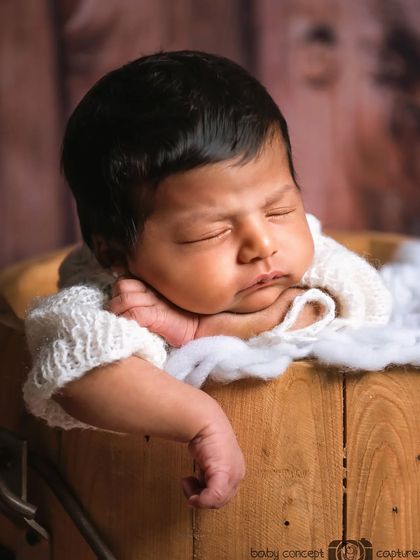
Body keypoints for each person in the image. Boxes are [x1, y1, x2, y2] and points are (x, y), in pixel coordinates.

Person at [23, 50, 392, 511]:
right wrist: (200, 421)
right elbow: (78, 371)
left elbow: (362, 296)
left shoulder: (287, 241)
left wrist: (209, 329)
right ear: (116, 252)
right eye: (210, 232)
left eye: (280, 208)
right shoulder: (112, 295)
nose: (261, 242)